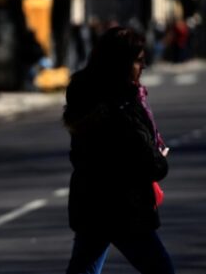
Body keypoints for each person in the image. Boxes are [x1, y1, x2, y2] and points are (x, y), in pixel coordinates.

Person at [63, 26, 174, 274]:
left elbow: (79, 155)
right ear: (121, 63)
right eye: (138, 61)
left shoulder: (84, 95)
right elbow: (148, 161)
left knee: (85, 268)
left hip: (91, 203)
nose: (143, 67)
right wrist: (159, 158)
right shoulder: (123, 104)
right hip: (125, 209)